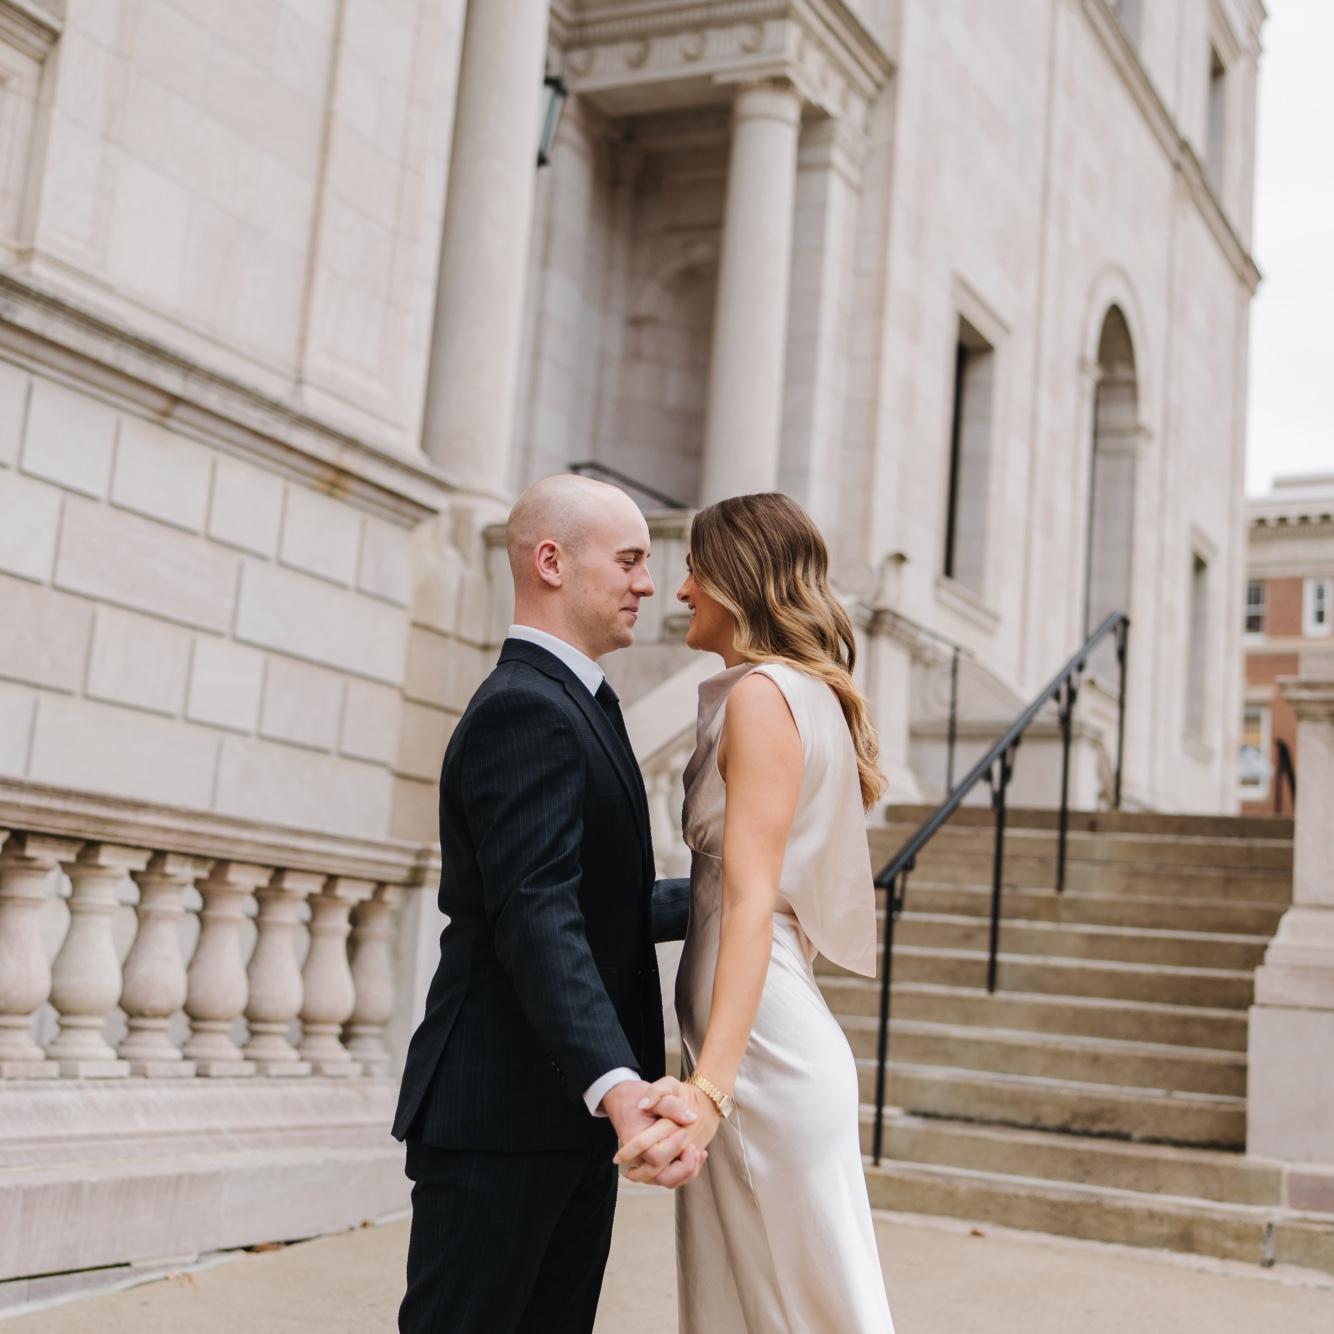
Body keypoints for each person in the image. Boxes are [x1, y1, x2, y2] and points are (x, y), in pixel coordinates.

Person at [392, 475, 703, 1334]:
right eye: (632, 560)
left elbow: (587, 902)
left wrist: (726, 900)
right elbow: (536, 915)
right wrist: (616, 1083)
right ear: (552, 562)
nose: (649, 583)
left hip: (560, 1117)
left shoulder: (580, 704)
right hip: (500, 1114)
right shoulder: (525, 708)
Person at [615, 492, 898, 1330]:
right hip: (753, 1049)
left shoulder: (765, 698)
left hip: (763, 1060)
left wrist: (709, 1089)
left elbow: (748, 906)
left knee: (808, 1312)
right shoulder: (785, 693)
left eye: (697, 569)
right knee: (751, 1310)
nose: (680, 590)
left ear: (740, 580)